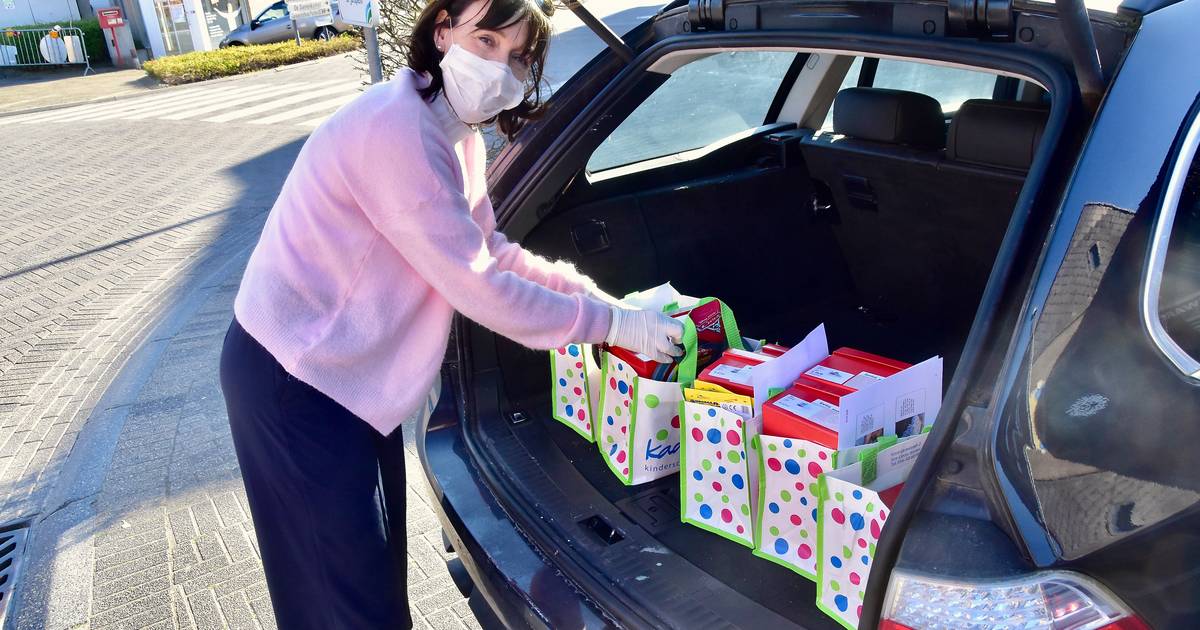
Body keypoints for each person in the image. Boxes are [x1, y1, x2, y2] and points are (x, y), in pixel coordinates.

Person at [218, 0, 683, 627]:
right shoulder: (396, 131)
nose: (500, 67)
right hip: (298, 379)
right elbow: (479, 285)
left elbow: (492, 250)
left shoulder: (449, 133)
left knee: (368, 585)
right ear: (443, 33)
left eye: (517, 57)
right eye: (486, 41)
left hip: (344, 384)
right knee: (340, 601)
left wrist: (598, 301)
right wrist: (611, 327)